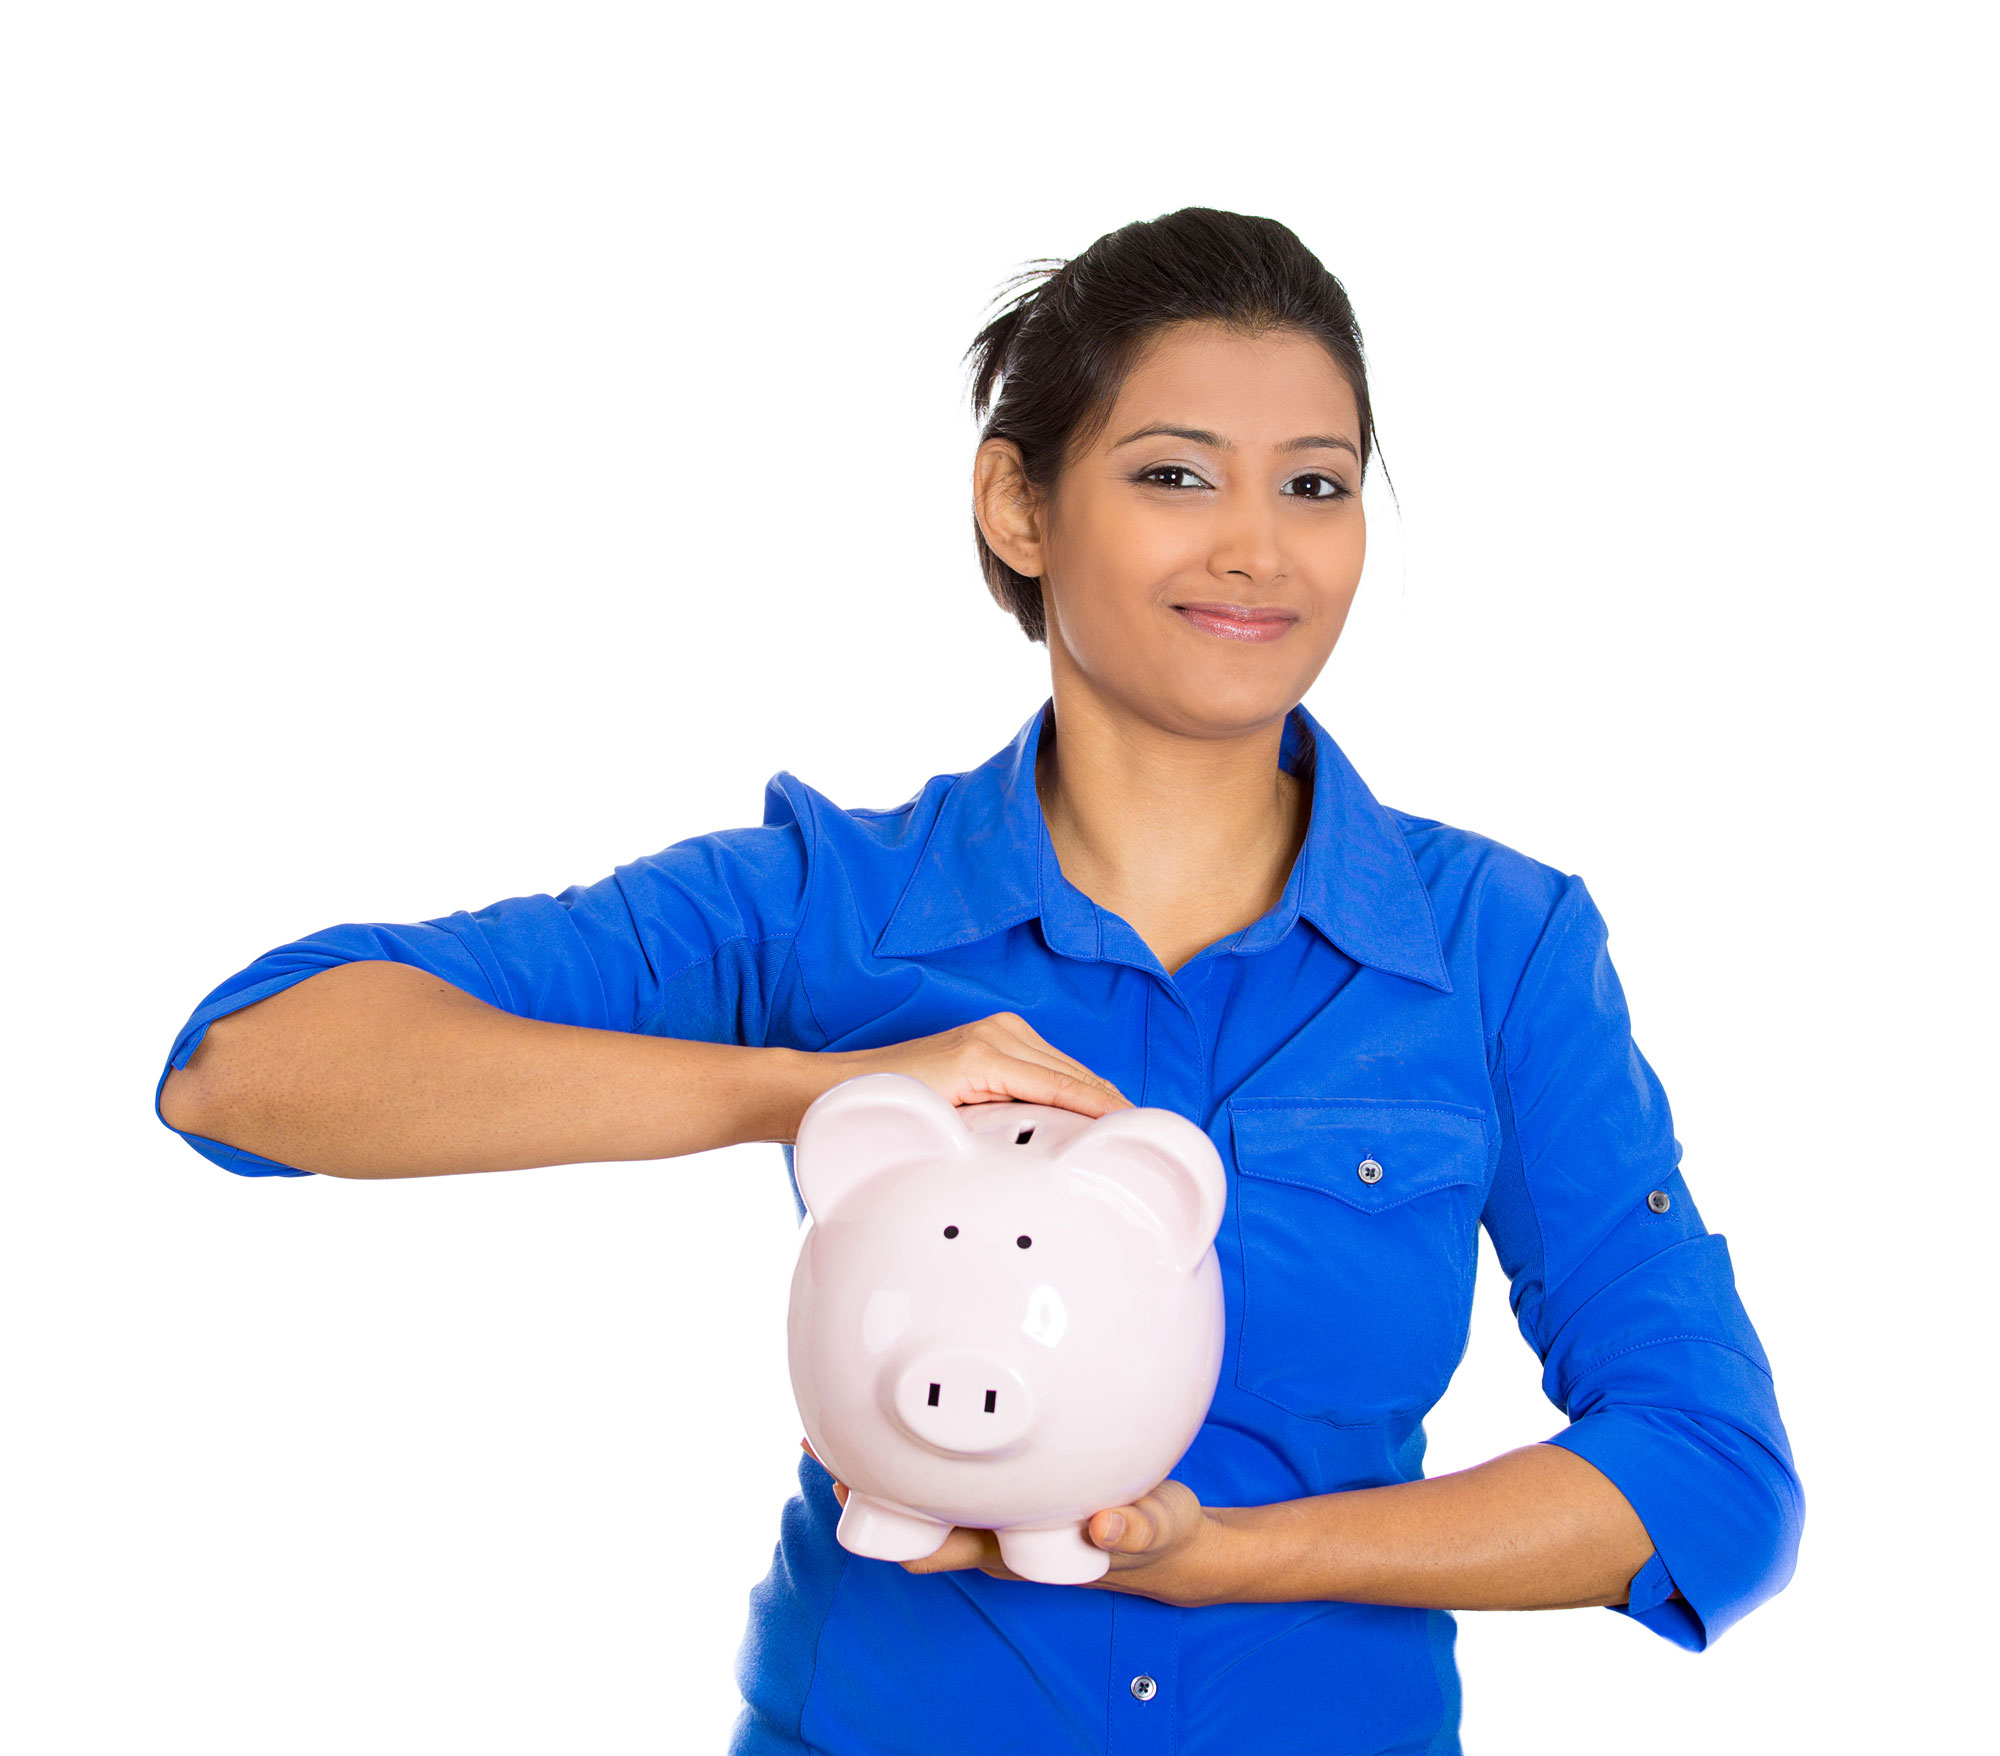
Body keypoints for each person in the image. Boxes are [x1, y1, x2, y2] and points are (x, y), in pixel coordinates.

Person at [156, 207, 1803, 1755]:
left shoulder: (1501, 947)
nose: (1259, 552)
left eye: (1317, 486)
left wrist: (1242, 1557)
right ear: (1019, 506)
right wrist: (808, 1093)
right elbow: (250, 1068)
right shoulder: (832, 909)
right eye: (1176, 474)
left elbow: (1711, 1475)